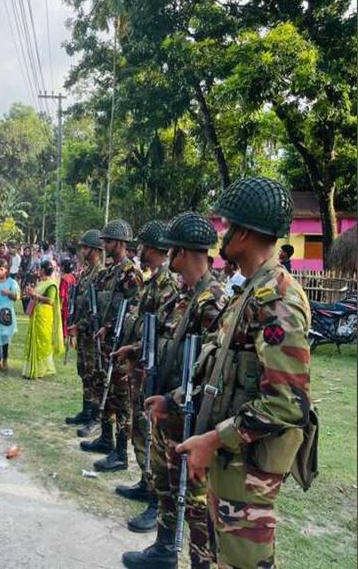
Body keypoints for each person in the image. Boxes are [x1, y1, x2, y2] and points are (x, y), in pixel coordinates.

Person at [173, 176, 313, 569]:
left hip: (249, 468)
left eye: (228, 225)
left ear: (245, 234)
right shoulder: (251, 291)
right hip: (232, 462)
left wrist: (214, 439)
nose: (223, 233)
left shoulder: (278, 299)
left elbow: (286, 403)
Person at [123, 212, 226, 569]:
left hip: (190, 416)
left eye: (172, 250)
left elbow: (214, 369)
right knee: (166, 483)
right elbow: (166, 341)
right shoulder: (182, 296)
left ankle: (200, 562)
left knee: (194, 499)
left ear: (182, 252)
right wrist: (135, 350)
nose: (168, 256)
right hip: (166, 409)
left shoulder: (213, 301)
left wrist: (173, 400)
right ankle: (165, 550)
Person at [107, 221, 180, 531]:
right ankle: (145, 482)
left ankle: (155, 499)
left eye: (144, 246)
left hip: (155, 370)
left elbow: (163, 332)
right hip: (140, 366)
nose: (140, 250)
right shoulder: (152, 282)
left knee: (150, 434)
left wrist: (135, 348)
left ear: (155, 248)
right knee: (140, 428)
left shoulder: (168, 285)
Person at [80, 220, 143, 473]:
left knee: (120, 398)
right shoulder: (108, 272)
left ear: (120, 243)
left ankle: (121, 452)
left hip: (120, 345)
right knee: (102, 389)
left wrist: (111, 327)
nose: (104, 245)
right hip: (103, 344)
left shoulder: (130, 273)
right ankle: (106, 438)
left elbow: (135, 308)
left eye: (108, 241)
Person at [68, 230, 106, 434]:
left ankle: (95, 417)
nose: (82, 251)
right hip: (83, 333)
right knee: (83, 371)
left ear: (95, 250)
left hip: (92, 334)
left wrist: (80, 326)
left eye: (86, 248)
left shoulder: (100, 273)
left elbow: (96, 309)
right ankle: (86, 411)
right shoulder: (85, 273)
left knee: (94, 375)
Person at [22, 260, 65, 379]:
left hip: (44, 316)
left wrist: (35, 295)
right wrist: (31, 293)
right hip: (37, 314)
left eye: (40, 269)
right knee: (35, 340)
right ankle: (34, 366)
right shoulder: (41, 283)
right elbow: (37, 296)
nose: (38, 271)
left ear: (43, 270)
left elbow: (50, 300)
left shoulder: (51, 285)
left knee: (44, 340)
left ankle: (42, 368)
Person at [0, 259, 20, 371]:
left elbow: (16, 297)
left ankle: (5, 359)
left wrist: (9, 293)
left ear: (6, 270)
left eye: (1, 269)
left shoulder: (12, 282)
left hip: (7, 311)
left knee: (5, 337)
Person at [59, 259, 77, 331]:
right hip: (71, 304)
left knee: (63, 326)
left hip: (65, 305)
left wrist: (60, 307)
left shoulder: (64, 279)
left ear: (63, 267)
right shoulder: (73, 278)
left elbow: (62, 294)